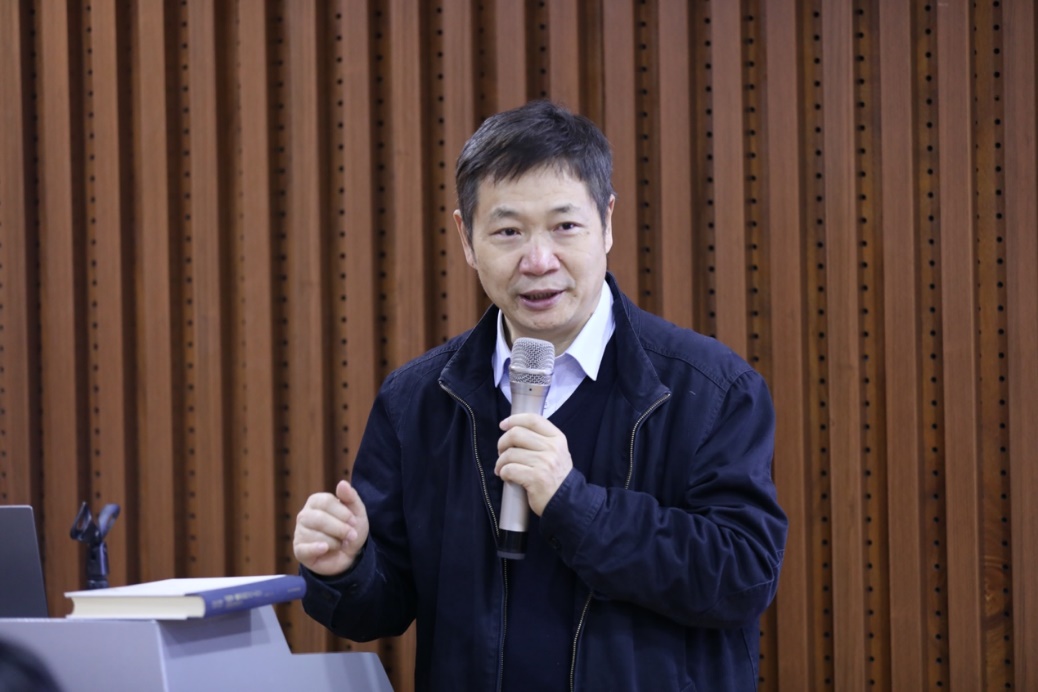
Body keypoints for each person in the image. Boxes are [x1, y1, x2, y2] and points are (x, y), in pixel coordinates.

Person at [293, 99, 787, 691]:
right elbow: (382, 606)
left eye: (564, 227)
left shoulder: (710, 389)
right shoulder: (417, 400)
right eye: (508, 232)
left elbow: (743, 576)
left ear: (607, 223)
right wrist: (347, 568)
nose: (538, 260)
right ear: (466, 238)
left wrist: (574, 503)